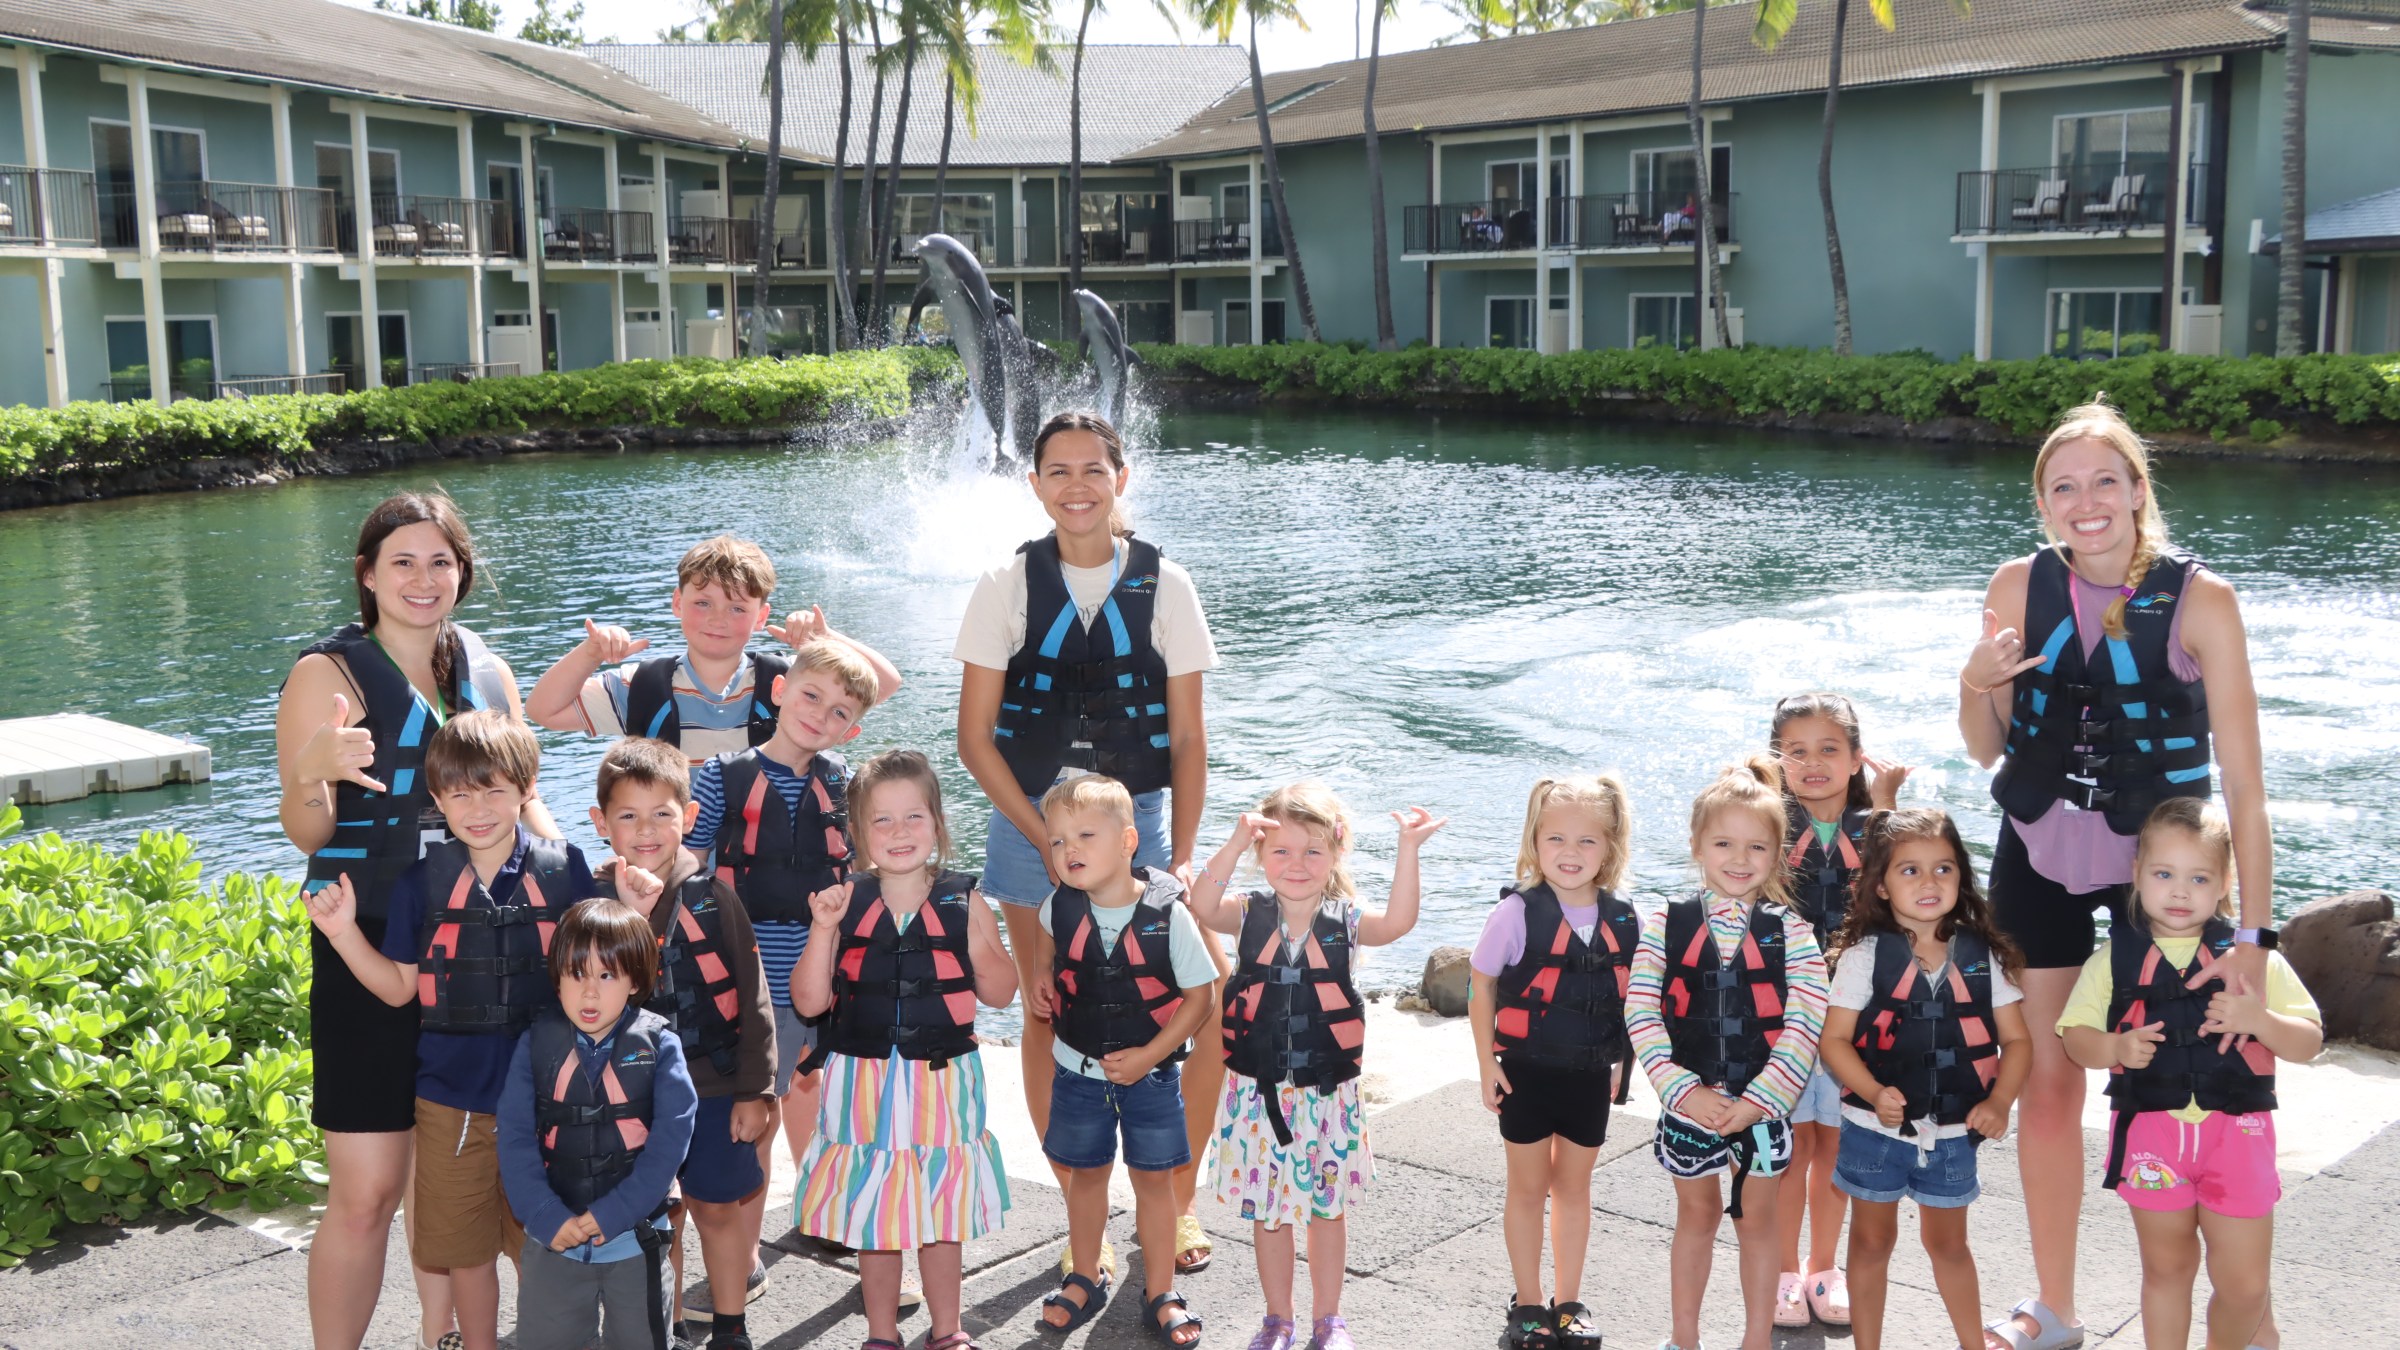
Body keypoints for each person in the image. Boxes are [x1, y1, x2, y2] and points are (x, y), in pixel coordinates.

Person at [1958, 401, 2276, 1350]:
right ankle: (2056, 1307)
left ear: (2139, 491)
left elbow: (2249, 794)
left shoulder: (2202, 601)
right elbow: (1987, 749)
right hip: (2041, 856)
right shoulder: (2017, 587)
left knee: (2196, 1082)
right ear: (2044, 504)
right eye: (2065, 487)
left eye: (2107, 481)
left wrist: (2253, 942)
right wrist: (1975, 680)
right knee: (2049, 1082)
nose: (2086, 502)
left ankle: (2245, 1311)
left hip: (2163, 871)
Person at [525, 535, 901, 1304]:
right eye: (701, 602)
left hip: (792, 926)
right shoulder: (646, 681)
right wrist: (592, 652)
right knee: (701, 1082)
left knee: (793, 1079)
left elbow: (876, 684)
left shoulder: (789, 678)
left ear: (763, 616)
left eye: (738, 606)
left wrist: (820, 641)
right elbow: (543, 709)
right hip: (687, 911)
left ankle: (809, 1224)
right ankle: (695, 1255)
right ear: (676, 606)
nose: (719, 618)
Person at [953, 410, 1225, 1277]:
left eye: (1093, 470)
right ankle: (1085, 1213)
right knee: (1049, 1006)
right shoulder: (1006, 584)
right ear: (1033, 484)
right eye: (1058, 471)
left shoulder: (1166, 585)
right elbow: (974, 739)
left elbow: (1187, 740)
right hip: (1031, 819)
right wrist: (1045, 840)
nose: (1077, 485)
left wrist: (1176, 857)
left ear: (1121, 478)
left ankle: (1173, 1202)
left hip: (1136, 820)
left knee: (1204, 1005)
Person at [304, 711, 598, 1350]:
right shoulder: (421, 884)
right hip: (449, 1102)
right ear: (437, 800)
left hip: (548, 1098)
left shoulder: (565, 868)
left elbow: (598, 977)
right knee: (464, 1250)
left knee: (546, 1242)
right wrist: (344, 933)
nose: (479, 807)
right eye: (460, 794)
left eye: (495, 789)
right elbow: (399, 987)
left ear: (527, 788)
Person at [1185, 783, 1445, 1350]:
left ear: (1335, 854)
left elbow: (1399, 921)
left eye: (1312, 851)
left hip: (1326, 1097)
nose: (1296, 865)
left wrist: (1408, 848)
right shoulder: (1246, 914)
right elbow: (1200, 905)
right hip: (1256, 1097)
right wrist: (1233, 841)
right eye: (1280, 850)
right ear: (1261, 856)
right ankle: (1278, 1319)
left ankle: (1330, 1321)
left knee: (1327, 1213)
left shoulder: (1348, 923)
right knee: (1269, 1214)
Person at [2058, 799, 2319, 1350]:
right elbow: (2075, 1038)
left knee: (2245, 1286)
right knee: (2167, 1270)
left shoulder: (2253, 962)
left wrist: (2259, 1019)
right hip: (2153, 1140)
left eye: (2198, 877)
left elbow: (2309, 1041)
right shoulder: (2112, 960)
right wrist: (2115, 1046)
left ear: (2225, 883)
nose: (2179, 891)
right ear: (2136, 875)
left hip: (2238, 1138)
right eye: (2163, 874)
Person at [791, 750, 1018, 1350]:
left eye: (913, 817)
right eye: (881, 821)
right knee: (875, 1215)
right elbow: (811, 1002)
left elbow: (1000, 991)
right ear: (857, 836)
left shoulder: (962, 900)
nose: (899, 833)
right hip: (860, 1079)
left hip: (944, 1078)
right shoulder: (842, 903)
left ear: (938, 826)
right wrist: (821, 929)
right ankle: (882, 1333)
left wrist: (980, 932)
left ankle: (948, 1331)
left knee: (941, 1216)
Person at [683, 634, 894, 1252]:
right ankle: (743, 1260)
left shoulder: (848, 787)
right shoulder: (722, 778)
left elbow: (871, 874)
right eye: (810, 695)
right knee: (755, 1123)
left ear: (851, 732)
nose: (819, 715)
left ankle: (835, 1225)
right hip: (744, 985)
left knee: (832, 1115)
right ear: (779, 691)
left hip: (821, 985)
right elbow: (690, 866)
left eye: (840, 712)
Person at [1624, 756, 1829, 1350]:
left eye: (1756, 848)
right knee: (1695, 1216)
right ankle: (1684, 1338)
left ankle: (1756, 1339)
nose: (1739, 861)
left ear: (1778, 853)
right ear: (1697, 845)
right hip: (1688, 1104)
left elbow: (1805, 1021)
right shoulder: (1666, 921)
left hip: (1763, 1112)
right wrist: (1682, 1091)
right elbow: (1641, 1010)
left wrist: (1762, 1101)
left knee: (1757, 1223)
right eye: (1723, 843)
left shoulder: (1793, 932)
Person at [586, 738, 778, 1350]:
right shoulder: (590, 904)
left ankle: (730, 1328)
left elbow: (754, 998)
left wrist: (757, 1089)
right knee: (654, 1219)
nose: (647, 830)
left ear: (688, 819)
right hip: (629, 1094)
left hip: (716, 1086)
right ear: (600, 823)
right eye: (628, 816)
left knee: (717, 1209)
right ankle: (658, 1328)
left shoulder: (715, 898)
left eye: (662, 814)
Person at [1818, 808, 2032, 1350]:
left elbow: (2020, 1042)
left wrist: (2001, 1100)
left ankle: (1971, 1344)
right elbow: (1834, 1042)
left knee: (1950, 1246)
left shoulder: (1983, 957)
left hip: (1956, 1135)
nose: (1930, 881)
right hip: (1872, 1130)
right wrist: (1872, 1092)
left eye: (1943, 868)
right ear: (1882, 887)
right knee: (1870, 1243)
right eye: (1909, 870)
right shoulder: (1864, 957)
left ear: (1962, 877)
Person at [1027, 776, 1219, 1344]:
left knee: (1153, 1185)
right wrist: (1041, 974)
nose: (1070, 850)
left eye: (1085, 835)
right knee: (1086, 1178)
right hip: (1076, 1071)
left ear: (1130, 841)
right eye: (1057, 841)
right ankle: (1085, 1275)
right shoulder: (1058, 906)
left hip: (1151, 1078)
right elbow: (1045, 936)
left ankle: (1161, 1290)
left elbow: (1200, 999)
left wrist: (1150, 1056)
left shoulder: (1169, 917)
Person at [1469, 776, 1638, 1350]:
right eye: (1556, 839)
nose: (1570, 853)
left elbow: (1628, 997)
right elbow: (1482, 983)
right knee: (1527, 1187)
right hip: (1525, 1071)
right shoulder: (1517, 913)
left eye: (1588, 842)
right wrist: (1486, 1061)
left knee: (1574, 1189)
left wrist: (1621, 1062)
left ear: (1611, 848)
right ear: (1534, 841)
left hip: (1590, 1075)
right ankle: (1529, 1302)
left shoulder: (1625, 918)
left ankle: (1569, 1301)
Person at [1766, 693, 1910, 1330]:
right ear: (1779, 761)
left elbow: (1901, 889)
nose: (1814, 763)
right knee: (1791, 1147)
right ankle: (1781, 1272)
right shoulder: (1768, 826)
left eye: (1830, 749)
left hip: (1853, 1020)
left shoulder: (1874, 827)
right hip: (1784, 1016)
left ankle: (1824, 1270)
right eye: (1797, 751)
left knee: (1836, 1144)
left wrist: (1887, 805)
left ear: (1857, 758)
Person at [497, 899, 698, 1350]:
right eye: (576, 974)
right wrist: (544, 1215)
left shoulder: (661, 1047)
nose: (590, 993)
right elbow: (513, 1139)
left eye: (606, 975)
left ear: (634, 982)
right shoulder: (535, 1046)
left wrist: (612, 1214)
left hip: (634, 1239)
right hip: (555, 1238)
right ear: (558, 979)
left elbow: (670, 1145)